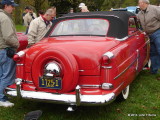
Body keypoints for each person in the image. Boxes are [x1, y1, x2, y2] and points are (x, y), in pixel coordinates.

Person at [0, 0, 19, 107]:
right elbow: (8, 37)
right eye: (12, 6)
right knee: (7, 75)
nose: (13, 8)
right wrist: (17, 44)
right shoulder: (5, 18)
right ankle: (2, 99)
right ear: (6, 6)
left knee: (1, 74)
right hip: (6, 50)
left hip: (1, 49)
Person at [137, 0, 160, 79]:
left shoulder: (155, 9)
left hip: (158, 32)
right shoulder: (140, 13)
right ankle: (154, 71)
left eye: (139, 3)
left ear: (144, 3)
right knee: (153, 53)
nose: (138, 4)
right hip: (149, 35)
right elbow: (136, 21)